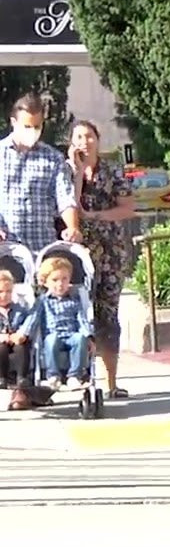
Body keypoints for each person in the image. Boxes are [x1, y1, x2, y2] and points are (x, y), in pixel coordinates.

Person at [69, 120, 136, 398]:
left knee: (108, 315)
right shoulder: (67, 172)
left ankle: (111, 381)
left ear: (98, 139)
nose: (85, 142)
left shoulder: (112, 171)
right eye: (79, 137)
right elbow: (69, 203)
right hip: (79, 253)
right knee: (78, 314)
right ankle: (81, 377)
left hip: (110, 251)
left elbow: (127, 208)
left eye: (89, 136)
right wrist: (76, 172)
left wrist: (96, 217)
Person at [0, 93, 83, 250]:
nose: (32, 131)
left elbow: (65, 198)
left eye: (37, 126)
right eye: (27, 127)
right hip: (5, 248)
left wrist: (72, 227)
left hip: (42, 247)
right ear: (13, 123)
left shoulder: (53, 158)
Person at [27, 256, 93, 390]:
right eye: (55, 280)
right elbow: (33, 318)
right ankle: (53, 376)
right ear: (45, 282)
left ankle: (74, 376)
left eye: (64, 279)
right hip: (53, 335)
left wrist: (89, 336)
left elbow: (82, 319)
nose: (60, 284)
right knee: (51, 341)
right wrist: (25, 333)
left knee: (80, 339)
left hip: (71, 334)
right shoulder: (43, 301)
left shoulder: (74, 299)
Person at [0, 269, 34, 409]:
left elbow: (28, 321)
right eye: (1, 292)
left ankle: (22, 378)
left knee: (22, 347)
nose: (4, 296)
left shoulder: (19, 309)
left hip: (16, 339)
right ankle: (1, 377)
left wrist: (21, 333)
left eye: (8, 292)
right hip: (1, 341)